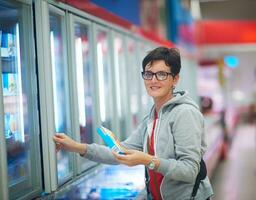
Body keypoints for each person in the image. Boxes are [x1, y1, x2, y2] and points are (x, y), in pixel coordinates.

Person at [53, 47, 214, 200]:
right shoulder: (152, 117)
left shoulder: (184, 113)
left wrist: (148, 160)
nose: (153, 80)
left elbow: (189, 170)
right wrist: (76, 147)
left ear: (175, 79)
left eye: (162, 74)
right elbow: (120, 152)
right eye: (149, 74)